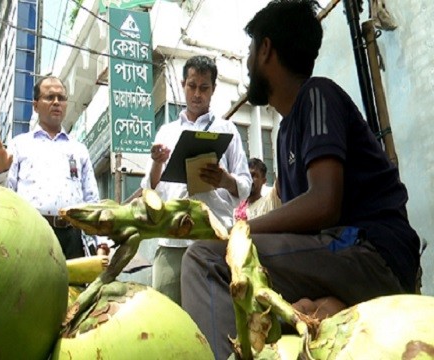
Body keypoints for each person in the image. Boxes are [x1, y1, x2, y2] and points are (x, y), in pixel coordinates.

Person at [180, 1, 421, 359]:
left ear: (265, 50)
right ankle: (329, 305)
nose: (247, 65)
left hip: (371, 251)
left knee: (205, 260)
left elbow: (324, 204)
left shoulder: (316, 95)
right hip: (339, 255)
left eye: (250, 52)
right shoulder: (285, 131)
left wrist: (242, 231)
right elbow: (299, 237)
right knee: (299, 309)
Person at [140, 55, 251, 305]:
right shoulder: (166, 132)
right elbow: (150, 189)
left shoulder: (227, 130)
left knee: (217, 313)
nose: (197, 94)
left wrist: (224, 180)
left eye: (204, 88)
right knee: (167, 315)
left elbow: (245, 186)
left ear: (213, 90)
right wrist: (158, 161)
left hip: (214, 238)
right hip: (172, 240)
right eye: (192, 86)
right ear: (183, 85)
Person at [0, 76, 107, 260]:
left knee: (75, 289)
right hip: (32, 235)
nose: (56, 102)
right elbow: (5, 201)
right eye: (49, 97)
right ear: (35, 105)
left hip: (73, 238)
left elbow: (92, 200)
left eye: (61, 98)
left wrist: (102, 242)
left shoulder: (78, 149)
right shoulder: (19, 145)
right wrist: (2, 172)